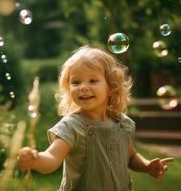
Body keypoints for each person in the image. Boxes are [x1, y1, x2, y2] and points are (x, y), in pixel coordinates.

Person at [17, 46, 174, 191]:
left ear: (111, 86)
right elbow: (52, 158)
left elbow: (131, 156)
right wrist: (36, 159)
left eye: (93, 80)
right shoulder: (72, 126)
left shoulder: (121, 123)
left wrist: (146, 166)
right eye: (76, 82)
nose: (83, 87)